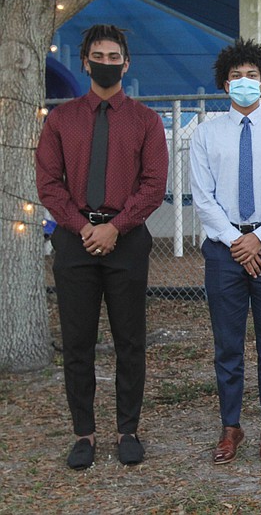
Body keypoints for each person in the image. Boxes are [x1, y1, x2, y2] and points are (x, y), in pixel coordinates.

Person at [36, 24, 168, 469]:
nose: (106, 63)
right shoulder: (60, 120)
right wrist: (82, 227)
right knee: (78, 343)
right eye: (98, 56)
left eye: (114, 57)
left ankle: (127, 429)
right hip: (74, 243)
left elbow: (153, 185)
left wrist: (115, 226)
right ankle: (84, 433)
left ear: (126, 63)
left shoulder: (146, 121)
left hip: (128, 242)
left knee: (130, 340)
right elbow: (49, 185)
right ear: (85, 62)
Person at [189, 38, 261, 464]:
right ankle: (230, 427)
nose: (244, 82)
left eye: (252, 76)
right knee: (228, 344)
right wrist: (236, 241)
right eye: (236, 77)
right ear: (224, 84)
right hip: (224, 250)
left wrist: (259, 237)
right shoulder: (204, 134)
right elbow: (203, 197)